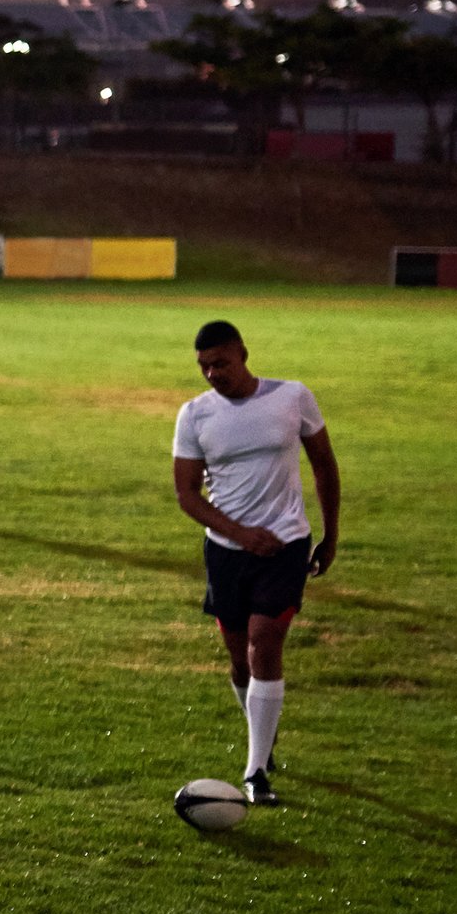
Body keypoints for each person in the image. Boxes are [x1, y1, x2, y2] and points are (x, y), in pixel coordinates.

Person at [171, 318, 340, 808]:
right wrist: (240, 534)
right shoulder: (195, 415)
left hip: (286, 544)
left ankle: (256, 770)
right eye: (203, 367)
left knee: (264, 643)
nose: (212, 374)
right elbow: (186, 494)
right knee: (237, 652)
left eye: (220, 363)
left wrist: (330, 534)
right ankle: (263, 736)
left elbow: (324, 463)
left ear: (243, 353)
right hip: (227, 552)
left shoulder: (292, 397)